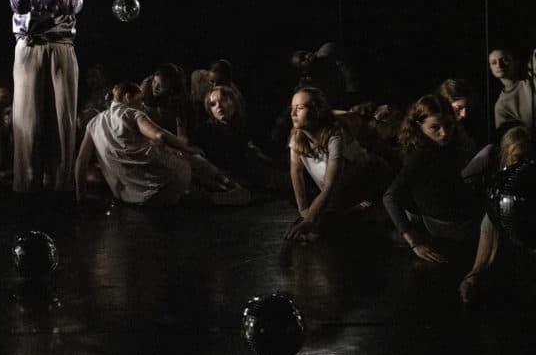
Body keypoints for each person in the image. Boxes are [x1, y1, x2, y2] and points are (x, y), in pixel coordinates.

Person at [74, 82, 243, 207]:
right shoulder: (131, 114)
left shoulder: (93, 123)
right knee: (185, 155)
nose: (142, 105)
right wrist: (188, 148)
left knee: (174, 165)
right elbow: (159, 135)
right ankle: (230, 186)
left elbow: (81, 162)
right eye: (140, 100)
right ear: (127, 97)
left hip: (129, 198)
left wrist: (81, 197)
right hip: (163, 185)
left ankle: (213, 192)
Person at [8, 0, 83, 196]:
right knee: (27, 118)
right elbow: (19, 5)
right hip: (29, 46)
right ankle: (27, 184)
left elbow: (72, 6)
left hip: (61, 46)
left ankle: (60, 186)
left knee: (62, 118)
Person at [382, 95, 482, 263]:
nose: (444, 133)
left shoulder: (444, 145)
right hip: (446, 226)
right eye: (435, 127)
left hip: (456, 216)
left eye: (449, 125)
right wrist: (414, 242)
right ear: (418, 126)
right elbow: (390, 197)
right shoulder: (420, 155)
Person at [285, 87, 390, 241]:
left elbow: (330, 185)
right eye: (292, 108)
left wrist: (309, 220)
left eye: (299, 108)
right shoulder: (297, 137)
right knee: (320, 223)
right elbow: (296, 173)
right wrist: (304, 212)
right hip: (342, 190)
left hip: (373, 181)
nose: (293, 113)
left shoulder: (335, 135)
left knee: (329, 225)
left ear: (316, 111)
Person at [459, 126, 533, 304]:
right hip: (501, 215)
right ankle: (475, 275)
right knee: (490, 219)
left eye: (527, 157)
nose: (522, 162)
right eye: (518, 158)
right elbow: (465, 178)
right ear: (506, 153)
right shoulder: (492, 158)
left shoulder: (530, 171)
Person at [192, 84, 263, 179]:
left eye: (223, 100)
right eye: (213, 104)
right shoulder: (204, 132)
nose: (219, 106)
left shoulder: (245, 126)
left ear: (234, 102)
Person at [489, 48, 535, 130]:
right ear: (491, 69)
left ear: (515, 62)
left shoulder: (530, 81)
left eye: (505, 60)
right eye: (493, 62)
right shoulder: (501, 106)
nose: (499, 65)